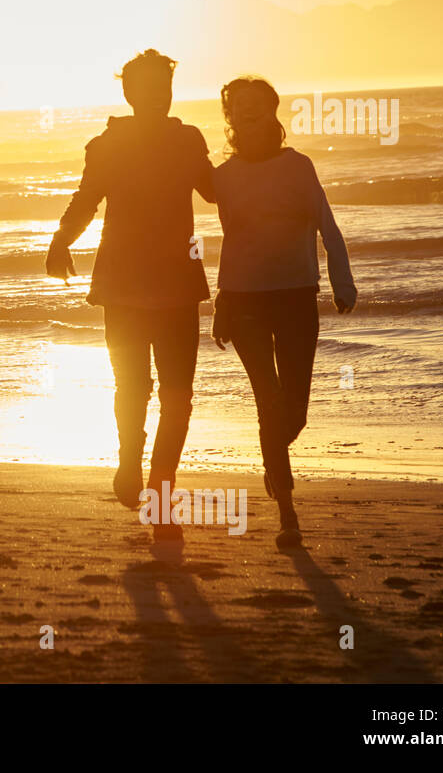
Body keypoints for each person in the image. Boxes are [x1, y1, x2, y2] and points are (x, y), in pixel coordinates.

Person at [46, 49, 214, 543]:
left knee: (178, 395)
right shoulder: (107, 145)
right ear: (129, 93)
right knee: (133, 387)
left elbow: (218, 191)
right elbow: (86, 199)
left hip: (179, 285)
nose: (158, 96)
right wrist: (60, 241)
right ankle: (128, 460)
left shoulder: (188, 140)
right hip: (122, 285)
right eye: (147, 88)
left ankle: (162, 495)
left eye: (164, 87)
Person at [209, 77, 357, 549]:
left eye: (257, 105)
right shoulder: (224, 176)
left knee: (294, 411)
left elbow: (327, 228)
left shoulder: (298, 166)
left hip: (296, 295)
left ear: (273, 112)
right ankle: (288, 516)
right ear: (230, 118)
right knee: (267, 400)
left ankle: (274, 456)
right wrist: (221, 301)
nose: (248, 112)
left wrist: (342, 280)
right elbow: (230, 243)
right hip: (245, 299)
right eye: (239, 107)